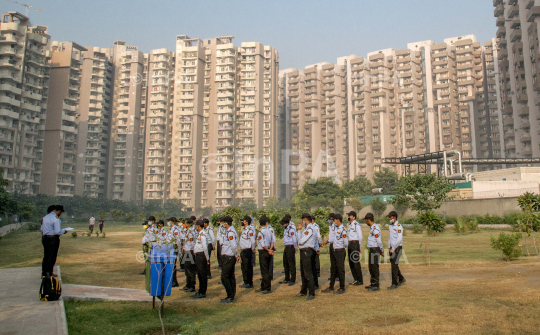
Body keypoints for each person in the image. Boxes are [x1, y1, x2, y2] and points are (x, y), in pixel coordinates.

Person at [322, 214, 348, 294]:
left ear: (338, 220)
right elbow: (333, 238)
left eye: (335, 220)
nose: (333, 221)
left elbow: (346, 242)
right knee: (333, 269)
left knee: (340, 270)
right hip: (334, 250)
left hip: (340, 251)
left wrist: (340, 247)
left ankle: (342, 288)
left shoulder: (343, 230)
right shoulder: (336, 228)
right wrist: (327, 241)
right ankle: (331, 287)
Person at [41, 205, 68, 278]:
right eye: (60, 212)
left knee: (46, 256)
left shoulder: (45, 217)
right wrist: (64, 231)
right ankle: (49, 272)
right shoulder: (56, 219)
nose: (60, 213)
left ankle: (44, 272)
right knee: (52, 256)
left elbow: (42, 229)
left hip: (45, 238)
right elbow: (57, 231)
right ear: (58, 211)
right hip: (53, 239)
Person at [294, 213, 316, 301]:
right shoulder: (306, 229)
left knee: (308, 272)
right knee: (303, 272)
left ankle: (311, 293)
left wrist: (299, 238)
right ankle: (303, 291)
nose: (302, 222)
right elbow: (299, 239)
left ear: (305, 219)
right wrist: (299, 230)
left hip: (307, 251)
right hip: (303, 251)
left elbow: (301, 241)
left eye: (302, 220)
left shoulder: (310, 228)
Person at [220, 216, 240, 303]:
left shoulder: (231, 232)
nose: (222, 224)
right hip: (228, 255)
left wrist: (236, 255)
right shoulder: (228, 231)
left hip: (229, 256)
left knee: (224, 277)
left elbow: (233, 245)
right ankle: (231, 295)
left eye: (223, 222)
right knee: (230, 276)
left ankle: (230, 295)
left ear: (226, 223)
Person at [364, 213, 384, 292]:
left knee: (374, 267)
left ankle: (376, 285)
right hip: (372, 249)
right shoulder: (372, 228)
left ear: (368, 220)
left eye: (366, 220)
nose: (365, 222)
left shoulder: (375, 228)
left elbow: (378, 240)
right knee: (371, 267)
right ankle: (372, 283)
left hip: (375, 249)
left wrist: (381, 250)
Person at [387, 211, 406, 290]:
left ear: (394, 217)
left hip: (397, 248)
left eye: (390, 217)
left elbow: (399, 239)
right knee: (394, 264)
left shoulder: (399, 226)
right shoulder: (390, 226)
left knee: (394, 266)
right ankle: (401, 279)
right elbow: (390, 237)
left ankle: (394, 284)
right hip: (392, 248)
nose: (389, 219)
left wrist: (393, 248)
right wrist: (389, 246)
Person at [256, 215, 274, 294]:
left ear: (260, 224)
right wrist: (270, 249)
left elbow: (262, 244)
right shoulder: (269, 230)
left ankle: (267, 288)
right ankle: (263, 286)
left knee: (264, 271)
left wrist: (267, 250)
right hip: (269, 250)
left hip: (263, 251)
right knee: (267, 269)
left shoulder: (261, 232)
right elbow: (273, 241)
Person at [192, 220, 209, 299]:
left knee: (202, 274)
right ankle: (200, 290)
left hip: (201, 255)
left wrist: (207, 258)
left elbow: (205, 247)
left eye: (196, 225)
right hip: (198, 255)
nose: (195, 226)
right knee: (199, 274)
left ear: (198, 226)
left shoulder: (203, 235)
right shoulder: (199, 234)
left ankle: (202, 292)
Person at [347, 211, 363, 286]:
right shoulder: (350, 225)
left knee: (356, 262)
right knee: (351, 262)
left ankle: (360, 280)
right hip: (350, 244)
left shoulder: (356, 225)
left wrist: (359, 246)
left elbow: (360, 237)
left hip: (355, 244)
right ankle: (355, 279)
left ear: (354, 217)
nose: (348, 217)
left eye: (349, 216)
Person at [239, 216, 256, 289]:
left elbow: (253, 241)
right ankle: (245, 281)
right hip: (243, 251)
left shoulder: (249, 230)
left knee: (248, 267)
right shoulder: (244, 230)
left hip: (247, 250)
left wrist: (252, 250)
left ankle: (249, 283)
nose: (242, 222)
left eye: (243, 221)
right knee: (244, 267)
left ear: (246, 222)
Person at [279, 218, 297, 286]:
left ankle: (292, 279)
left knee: (291, 263)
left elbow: (294, 240)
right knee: (285, 263)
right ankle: (287, 278)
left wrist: (295, 248)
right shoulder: (286, 229)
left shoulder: (291, 229)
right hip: (286, 247)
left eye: (283, 224)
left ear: (286, 223)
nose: (282, 225)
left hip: (290, 246)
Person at [181, 219, 197, 293]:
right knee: (186, 269)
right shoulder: (187, 231)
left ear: (188, 224)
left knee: (190, 269)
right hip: (186, 250)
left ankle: (192, 286)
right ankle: (188, 284)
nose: (183, 224)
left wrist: (193, 252)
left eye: (185, 223)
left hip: (189, 251)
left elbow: (192, 243)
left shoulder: (191, 232)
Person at [168, 217, 181, 287]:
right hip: (170, 249)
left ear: (172, 221)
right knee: (171, 266)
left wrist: (178, 250)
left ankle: (174, 282)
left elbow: (177, 240)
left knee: (173, 265)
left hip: (174, 249)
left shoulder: (176, 229)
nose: (168, 222)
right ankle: (173, 281)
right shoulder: (171, 229)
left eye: (169, 221)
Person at [324, 213, 338, 281]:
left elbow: (334, 237)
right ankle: (333, 275)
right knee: (332, 261)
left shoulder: (335, 226)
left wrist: (327, 241)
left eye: (330, 219)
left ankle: (337, 275)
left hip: (335, 244)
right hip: (331, 244)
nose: (329, 220)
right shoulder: (331, 226)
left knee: (336, 261)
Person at [310, 216, 322, 289]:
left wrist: (319, 244)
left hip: (315, 245)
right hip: (311, 246)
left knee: (316, 260)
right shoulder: (310, 227)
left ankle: (317, 271)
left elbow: (318, 236)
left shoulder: (315, 227)